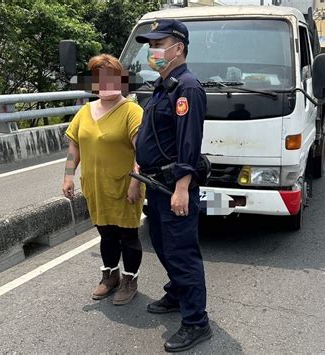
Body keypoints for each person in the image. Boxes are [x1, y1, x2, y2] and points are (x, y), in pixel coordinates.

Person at [134, 19, 211, 352]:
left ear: (178, 48)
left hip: (173, 185)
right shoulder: (162, 85)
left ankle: (196, 322)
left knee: (182, 253)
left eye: (158, 44)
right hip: (155, 182)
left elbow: (188, 142)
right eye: (150, 46)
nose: (153, 51)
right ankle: (178, 293)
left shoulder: (187, 87)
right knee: (162, 244)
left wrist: (182, 186)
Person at [62, 54, 144, 305]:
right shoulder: (85, 112)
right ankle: (110, 276)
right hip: (95, 186)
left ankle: (130, 279)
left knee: (127, 236)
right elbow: (74, 147)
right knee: (106, 235)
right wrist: (68, 176)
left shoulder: (132, 111)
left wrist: (135, 182)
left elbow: (142, 153)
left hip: (124, 186)